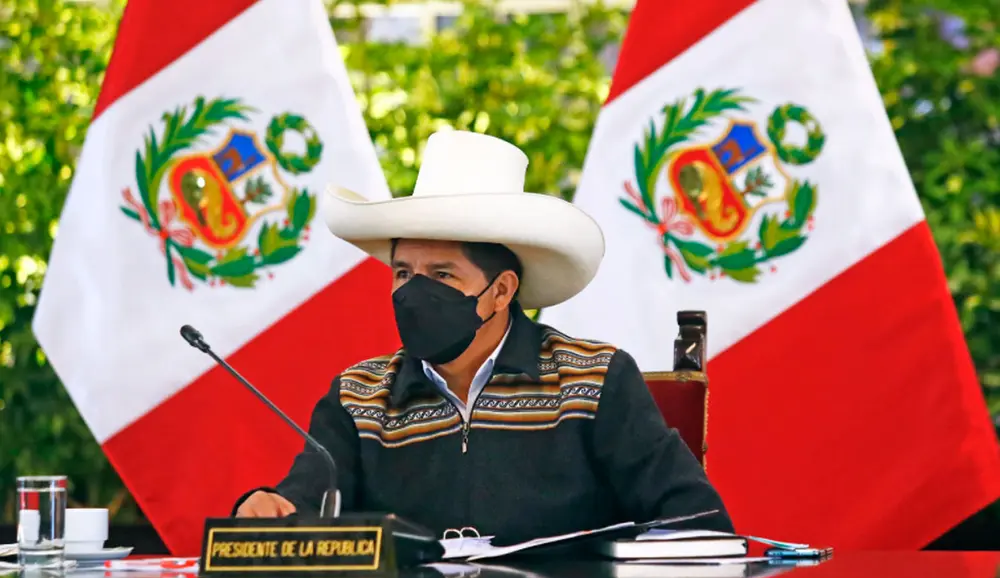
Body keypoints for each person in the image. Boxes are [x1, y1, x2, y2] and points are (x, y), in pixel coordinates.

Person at [233, 130, 734, 541]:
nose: (414, 293)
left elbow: (696, 524)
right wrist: (267, 508)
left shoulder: (594, 379)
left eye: (443, 275)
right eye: (404, 273)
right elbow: (303, 507)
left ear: (501, 291)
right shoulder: (359, 394)